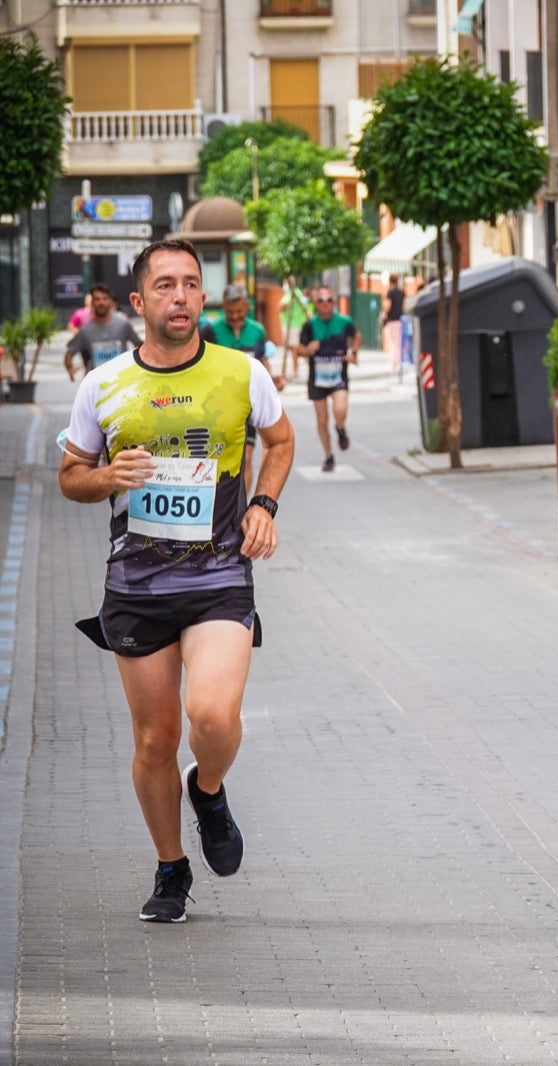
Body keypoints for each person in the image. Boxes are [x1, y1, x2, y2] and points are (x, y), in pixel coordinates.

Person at [58, 238, 294, 923]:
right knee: (156, 740)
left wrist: (263, 504)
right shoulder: (101, 386)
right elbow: (71, 476)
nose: (181, 296)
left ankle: (210, 788)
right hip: (136, 584)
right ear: (139, 302)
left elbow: (279, 442)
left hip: (219, 572)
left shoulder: (241, 372)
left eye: (190, 283)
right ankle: (170, 868)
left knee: (212, 718)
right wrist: (108, 477)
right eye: (165, 285)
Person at [200, 285, 287, 496]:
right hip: (218, 406)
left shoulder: (257, 330)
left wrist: (271, 380)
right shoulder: (210, 331)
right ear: (224, 307)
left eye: (239, 311)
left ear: (246, 306)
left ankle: (240, 509)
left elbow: (262, 361)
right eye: (230, 312)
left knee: (246, 456)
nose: (235, 316)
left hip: (248, 403)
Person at [296, 285, 360, 473]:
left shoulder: (344, 321)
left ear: (334, 302)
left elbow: (357, 336)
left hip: (338, 373)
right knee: (321, 419)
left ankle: (340, 427)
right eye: (321, 301)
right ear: (316, 304)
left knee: (340, 408)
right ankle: (328, 455)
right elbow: (298, 349)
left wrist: (353, 352)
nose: (325, 304)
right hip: (318, 378)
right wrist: (308, 349)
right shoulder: (310, 325)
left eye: (329, 300)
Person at [65, 284, 140, 382]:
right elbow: (69, 353)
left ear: (110, 301)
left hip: (121, 382)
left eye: (105, 298)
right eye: (97, 299)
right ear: (92, 302)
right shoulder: (85, 331)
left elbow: (139, 345)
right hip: (96, 385)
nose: (101, 303)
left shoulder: (123, 324)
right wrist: (70, 368)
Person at [277, 275, 312, 381]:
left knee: (294, 348)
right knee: (293, 347)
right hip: (288, 323)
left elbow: (281, 306)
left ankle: (295, 370)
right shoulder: (289, 294)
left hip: (294, 324)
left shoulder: (295, 293)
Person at [383, 273, 405, 371]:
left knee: (393, 342)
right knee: (398, 342)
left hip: (392, 319)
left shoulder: (390, 292)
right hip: (400, 318)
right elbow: (404, 305)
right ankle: (398, 361)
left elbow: (388, 305)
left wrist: (384, 314)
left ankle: (394, 363)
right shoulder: (401, 292)